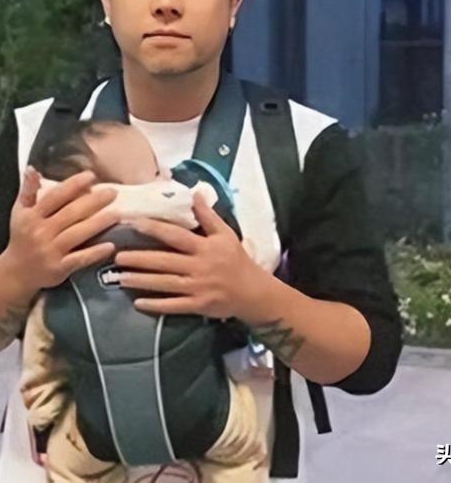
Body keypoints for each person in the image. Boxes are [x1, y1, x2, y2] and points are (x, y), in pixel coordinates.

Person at [0, 0, 403, 481]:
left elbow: (369, 361)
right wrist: (19, 270)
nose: (167, 1)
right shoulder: (38, 135)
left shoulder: (304, 144)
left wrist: (250, 294)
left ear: (234, 3)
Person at [19, 119, 268, 482]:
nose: (168, 173)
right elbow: (251, 264)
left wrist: (45, 412)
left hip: (98, 430)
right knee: (239, 456)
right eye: (155, 171)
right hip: (208, 416)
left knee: (70, 469)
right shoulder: (189, 246)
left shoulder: (61, 275)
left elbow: (40, 355)